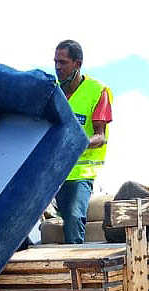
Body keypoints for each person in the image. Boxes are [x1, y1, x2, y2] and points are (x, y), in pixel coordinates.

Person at [54, 39, 113, 244]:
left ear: (77, 64)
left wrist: (81, 143)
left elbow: (100, 136)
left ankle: (74, 271)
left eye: (63, 62)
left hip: (81, 173)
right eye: (55, 62)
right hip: (53, 172)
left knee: (73, 215)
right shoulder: (53, 91)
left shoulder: (97, 91)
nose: (57, 67)